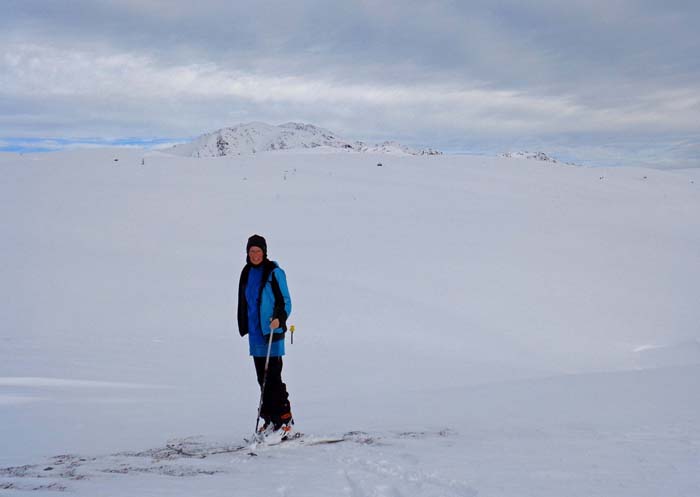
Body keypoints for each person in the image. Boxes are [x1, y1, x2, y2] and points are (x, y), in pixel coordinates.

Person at [237, 234, 294, 438]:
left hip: (271, 333)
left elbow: (286, 301)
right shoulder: (247, 272)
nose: (254, 255)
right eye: (251, 251)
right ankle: (270, 420)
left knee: (273, 378)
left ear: (264, 252)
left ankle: (284, 420)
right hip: (255, 334)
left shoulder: (274, 272)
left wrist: (279, 318)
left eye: (258, 251)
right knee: (262, 379)